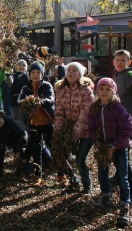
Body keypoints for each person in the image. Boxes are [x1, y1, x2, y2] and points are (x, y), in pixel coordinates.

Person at [88, 77, 131, 227]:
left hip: (119, 147)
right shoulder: (94, 108)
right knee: (102, 173)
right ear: (97, 90)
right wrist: (98, 141)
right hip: (103, 147)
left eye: (108, 89)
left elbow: (127, 129)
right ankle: (106, 195)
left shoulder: (118, 108)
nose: (104, 92)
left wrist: (114, 145)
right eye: (102, 89)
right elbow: (91, 127)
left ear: (113, 91)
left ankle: (125, 204)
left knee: (122, 176)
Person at [54, 62, 94, 193]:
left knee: (79, 160)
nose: (70, 72)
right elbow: (59, 112)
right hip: (67, 130)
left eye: (74, 70)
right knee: (60, 156)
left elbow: (84, 116)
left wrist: (74, 135)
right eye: (68, 70)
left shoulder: (86, 91)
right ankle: (74, 182)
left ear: (80, 74)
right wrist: (58, 132)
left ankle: (87, 186)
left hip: (86, 132)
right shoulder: (61, 90)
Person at [18, 61, 55, 187]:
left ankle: (61, 174)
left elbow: (51, 99)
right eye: (33, 72)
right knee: (36, 149)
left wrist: (41, 101)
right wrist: (28, 100)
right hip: (33, 123)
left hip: (47, 122)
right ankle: (38, 175)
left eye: (38, 72)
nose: (35, 74)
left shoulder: (47, 86)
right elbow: (20, 101)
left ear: (42, 74)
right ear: (29, 74)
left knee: (53, 146)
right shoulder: (25, 88)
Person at [113, 49, 132, 202]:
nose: (120, 63)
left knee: (122, 151)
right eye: (118, 60)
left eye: (123, 60)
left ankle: (127, 181)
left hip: (128, 120)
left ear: (129, 62)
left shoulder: (129, 75)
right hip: (117, 119)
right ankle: (119, 175)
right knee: (119, 150)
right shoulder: (117, 74)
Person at [0, 109, 28, 178]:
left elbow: (22, 135)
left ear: (3, 117)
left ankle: (22, 170)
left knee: (20, 156)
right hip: (2, 141)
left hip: (17, 139)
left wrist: (18, 152)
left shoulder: (10, 122)